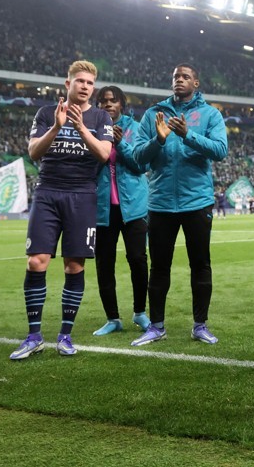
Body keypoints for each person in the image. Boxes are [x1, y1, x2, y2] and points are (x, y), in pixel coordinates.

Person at [10, 60, 113, 360]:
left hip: (82, 194)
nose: (85, 86)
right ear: (67, 83)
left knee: (74, 266)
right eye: (79, 81)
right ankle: (33, 336)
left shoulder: (100, 116)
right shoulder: (45, 113)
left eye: (90, 83)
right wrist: (58, 125)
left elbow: (105, 154)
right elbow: (33, 152)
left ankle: (65, 335)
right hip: (48, 192)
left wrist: (81, 127)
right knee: (36, 262)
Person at [130, 63, 228, 346]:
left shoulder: (210, 114)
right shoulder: (152, 115)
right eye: (175, 77)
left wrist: (188, 135)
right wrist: (158, 140)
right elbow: (138, 157)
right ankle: (157, 326)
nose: (179, 80)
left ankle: (200, 325)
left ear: (196, 83)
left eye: (185, 76)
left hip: (197, 202)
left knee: (200, 265)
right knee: (159, 267)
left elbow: (221, 150)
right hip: (160, 203)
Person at [91, 85, 151, 337]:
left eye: (113, 101)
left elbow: (142, 165)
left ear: (121, 105)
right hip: (102, 208)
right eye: (103, 101)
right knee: (104, 263)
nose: (108, 105)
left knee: (138, 259)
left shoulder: (134, 129)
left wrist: (120, 144)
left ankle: (139, 312)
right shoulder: (90, 130)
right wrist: (100, 147)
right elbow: (85, 169)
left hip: (134, 206)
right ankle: (112, 318)